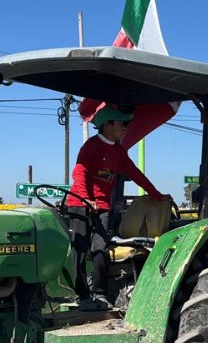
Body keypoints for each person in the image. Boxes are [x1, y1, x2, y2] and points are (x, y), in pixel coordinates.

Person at [67, 106, 170, 310]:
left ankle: (99, 294)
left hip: (103, 207)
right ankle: (82, 296)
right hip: (80, 203)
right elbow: (79, 172)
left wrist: (157, 195)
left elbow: (136, 174)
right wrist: (86, 199)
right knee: (79, 249)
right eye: (122, 123)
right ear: (108, 125)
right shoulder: (91, 146)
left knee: (100, 248)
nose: (125, 128)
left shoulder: (117, 151)